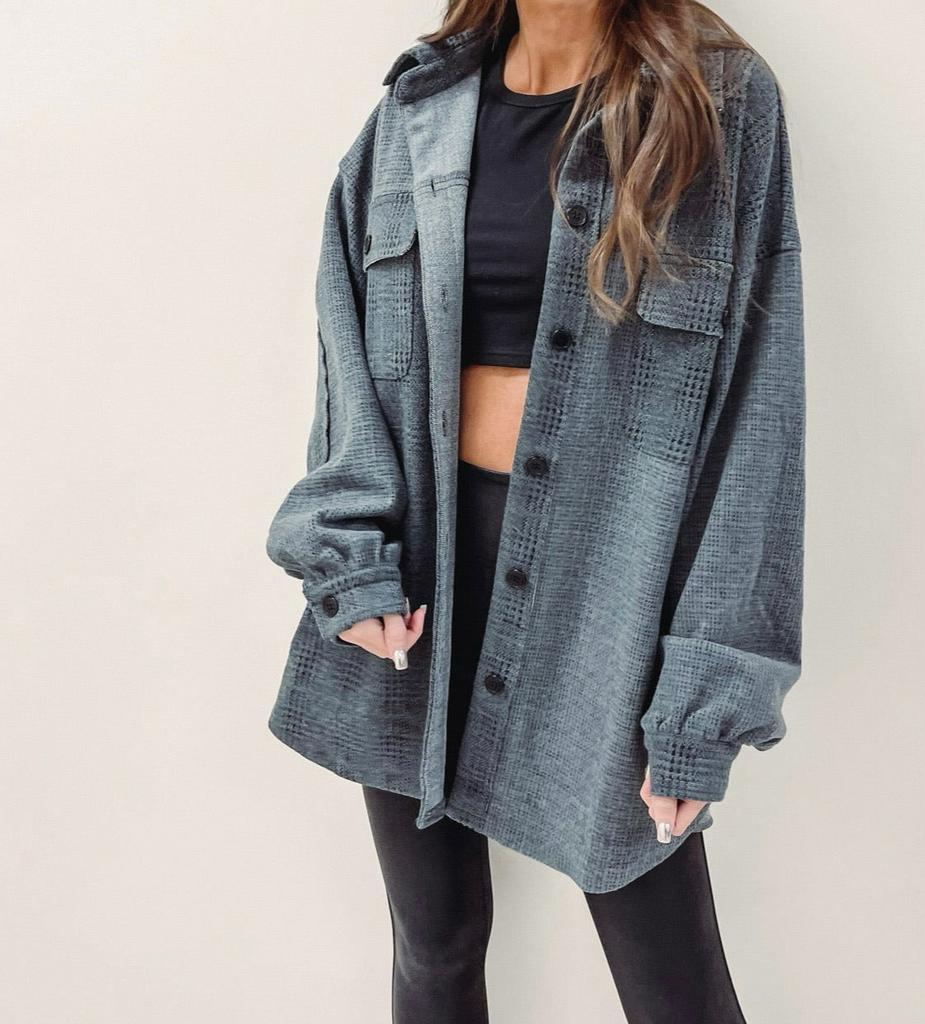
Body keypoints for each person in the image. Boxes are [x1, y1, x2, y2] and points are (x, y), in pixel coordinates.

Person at [265, 2, 805, 1020]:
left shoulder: (718, 100)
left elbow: (757, 415)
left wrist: (705, 694)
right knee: (436, 941)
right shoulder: (418, 108)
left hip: (612, 585)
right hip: (423, 580)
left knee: (673, 980)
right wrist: (350, 555)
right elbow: (348, 347)